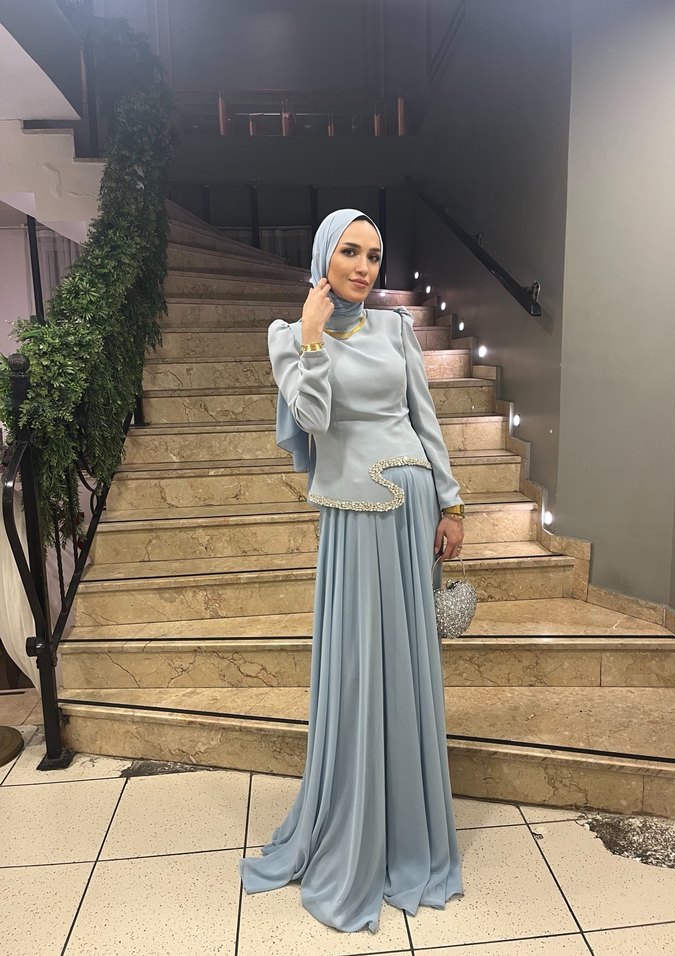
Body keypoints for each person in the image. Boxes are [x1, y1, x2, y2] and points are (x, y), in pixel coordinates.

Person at [239, 208, 465, 934]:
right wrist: (311, 335)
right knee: (361, 666)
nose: (364, 267)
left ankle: (408, 827)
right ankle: (356, 821)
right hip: (355, 514)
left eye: (373, 255)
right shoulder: (288, 336)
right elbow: (312, 418)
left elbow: (423, 416)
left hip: (412, 507)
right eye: (350, 253)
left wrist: (452, 501)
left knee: (407, 664)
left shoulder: (396, 328)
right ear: (322, 258)